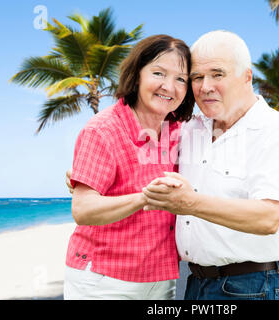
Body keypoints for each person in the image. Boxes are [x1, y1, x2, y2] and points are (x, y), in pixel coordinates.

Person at [141, 30, 279, 300]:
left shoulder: (276, 132)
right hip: (196, 283)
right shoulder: (191, 129)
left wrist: (188, 203)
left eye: (217, 74)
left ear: (247, 76)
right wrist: (89, 175)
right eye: (197, 77)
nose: (205, 86)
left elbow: (268, 218)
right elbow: (141, 160)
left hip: (255, 286)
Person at [63, 34, 194, 300]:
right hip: (104, 279)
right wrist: (147, 197)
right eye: (158, 73)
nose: (169, 86)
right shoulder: (103, 129)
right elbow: (83, 209)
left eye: (181, 79)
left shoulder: (180, 131)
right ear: (137, 75)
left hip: (160, 277)